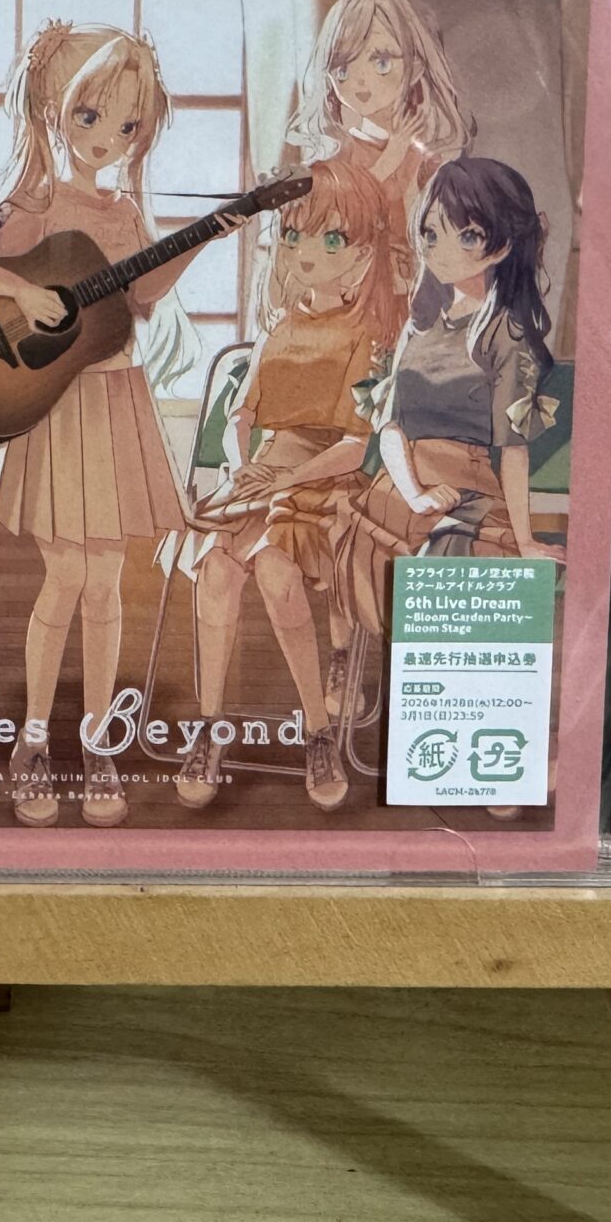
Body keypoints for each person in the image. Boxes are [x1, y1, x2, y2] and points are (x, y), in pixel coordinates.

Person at [0, 24, 239, 828]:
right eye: (90, 116)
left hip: (117, 399)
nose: (106, 139)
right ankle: (33, 741)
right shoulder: (30, 204)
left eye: (126, 126)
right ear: (53, 109)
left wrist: (206, 238)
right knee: (66, 577)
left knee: (106, 583)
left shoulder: (124, 209)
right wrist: (22, 292)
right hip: (59, 409)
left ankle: (97, 742)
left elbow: (142, 294)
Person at [179, 156, 402, 812]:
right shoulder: (278, 324)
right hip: (264, 472)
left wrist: (287, 479)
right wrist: (240, 464)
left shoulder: (369, 334)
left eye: (331, 239)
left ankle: (318, 730)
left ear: (362, 253)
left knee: (276, 573)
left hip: (330, 482)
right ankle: (209, 728)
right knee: (216, 572)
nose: (306, 253)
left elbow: (356, 445)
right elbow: (241, 414)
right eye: (294, 235)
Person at [352, 155, 564, 566]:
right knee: (368, 551)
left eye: (467, 237)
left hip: (470, 495)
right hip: (401, 487)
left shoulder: (505, 334)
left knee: (450, 553)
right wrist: (415, 493)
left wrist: (525, 541)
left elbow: (513, 450)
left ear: (503, 245)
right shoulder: (419, 323)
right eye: (431, 234)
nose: (440, 251)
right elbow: (391, 426)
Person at [284, 0, 473, 294]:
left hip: (419, 295)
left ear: (415, 68)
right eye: (342, 69)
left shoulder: (431, 160)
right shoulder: (339, 160)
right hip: (358, 297)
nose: (359, 80)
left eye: (381, 63)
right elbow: (337, 223)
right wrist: (390, 159)